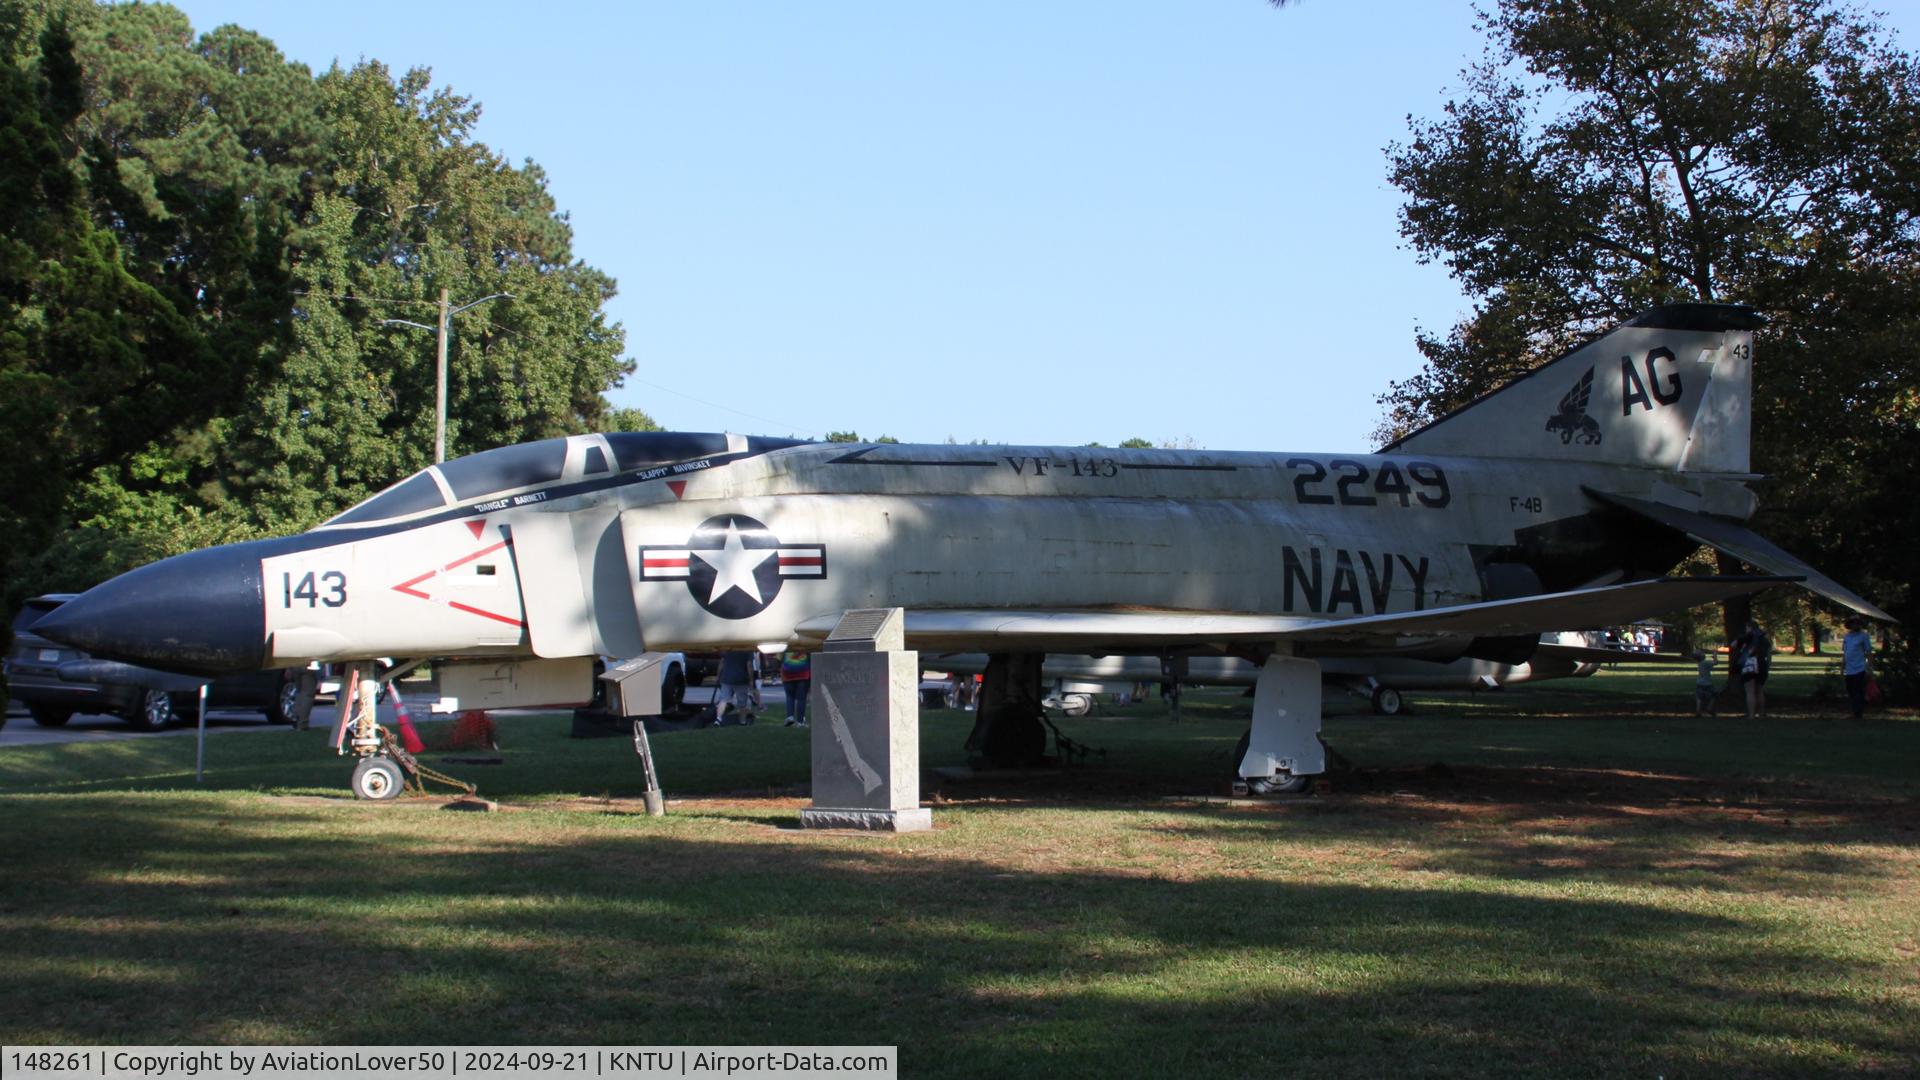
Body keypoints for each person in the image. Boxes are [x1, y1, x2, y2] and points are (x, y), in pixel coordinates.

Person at [712, 650, 757, 726]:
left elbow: (722, 662)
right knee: (742, 702)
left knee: (723, 699)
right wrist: (751, 679)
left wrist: (718, 675)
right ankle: (742, 721)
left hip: (726, 678)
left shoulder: (728, 647)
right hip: (741, 679)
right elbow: (749, 665)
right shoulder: (748, 649)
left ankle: (718, 719)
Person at [1842, 616, 1874, 719]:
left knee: (1858, 691)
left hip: (1859, 668)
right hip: (1849, 669)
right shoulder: (1847, 637)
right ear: (1850, 625)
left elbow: (1868, 652)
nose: (1855, 625)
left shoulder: (1864, 636)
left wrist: (1870, 667)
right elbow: (1845, 653)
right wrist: (1842, 667)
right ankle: (1853, 711)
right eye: (1853, 623)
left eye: (1857, 623)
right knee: (1850, 691)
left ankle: (1858, 713)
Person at [1742, 620, 1773, 719]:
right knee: (1759, 690)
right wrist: (1767, 666)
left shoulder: (1747, 638)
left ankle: (1751, 715)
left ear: (1750, 627)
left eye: (1747, 628)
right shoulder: (1765, 639)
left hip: (1750, 665)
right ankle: (1761, 714)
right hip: (1762, 664)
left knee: (1750, 690)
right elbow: (1769, 655)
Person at [780, 649, 812, 727]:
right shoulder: (806, 643)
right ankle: (800, 722)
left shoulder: (787, 643)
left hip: (787, 672)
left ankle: (790, 717)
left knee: (789, 696)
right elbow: (811, 658)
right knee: (801, 698)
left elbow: (780, 658)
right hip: (803, 672)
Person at [1693, 651, 1717, 716]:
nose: (1703, 653)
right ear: (1702, 657)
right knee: (1714, 695)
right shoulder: (1705, 663)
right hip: (1707, 683)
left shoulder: (1699, 663)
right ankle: (1709, 708)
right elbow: (1715, 663)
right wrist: (1715, 656)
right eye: (1702, 653)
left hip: (1699, 683)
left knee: (1699, 697)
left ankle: (1698, 711)